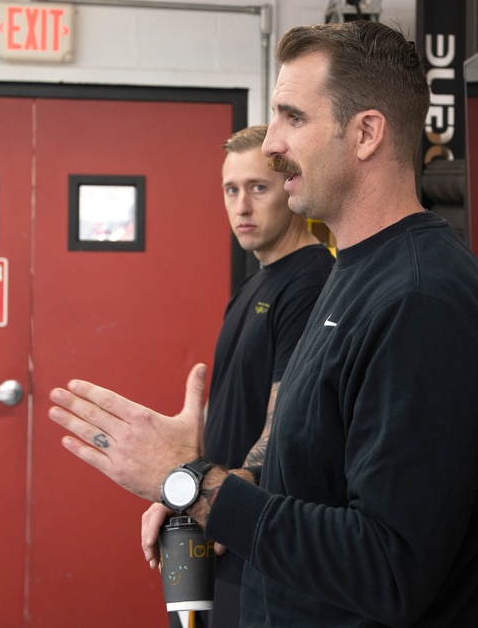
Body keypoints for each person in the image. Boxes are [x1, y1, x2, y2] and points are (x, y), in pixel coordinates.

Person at [48, 20, 478, 627]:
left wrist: (191, 484)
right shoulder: (355, 273)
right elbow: (311, 469)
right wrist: (224, 484)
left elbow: (388, 567)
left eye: (292, 118)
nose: (272, 143)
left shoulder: (420, 304)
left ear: (366, 133)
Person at [171, 124, 334, 628]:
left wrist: (222, 496)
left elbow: (286, 419)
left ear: (290, 187)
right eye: (231, 189)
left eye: (258, 188)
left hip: (256, 544)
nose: (241, 206)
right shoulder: (252, 286)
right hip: (216, 525)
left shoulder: (312, 280)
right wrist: (183, 481)